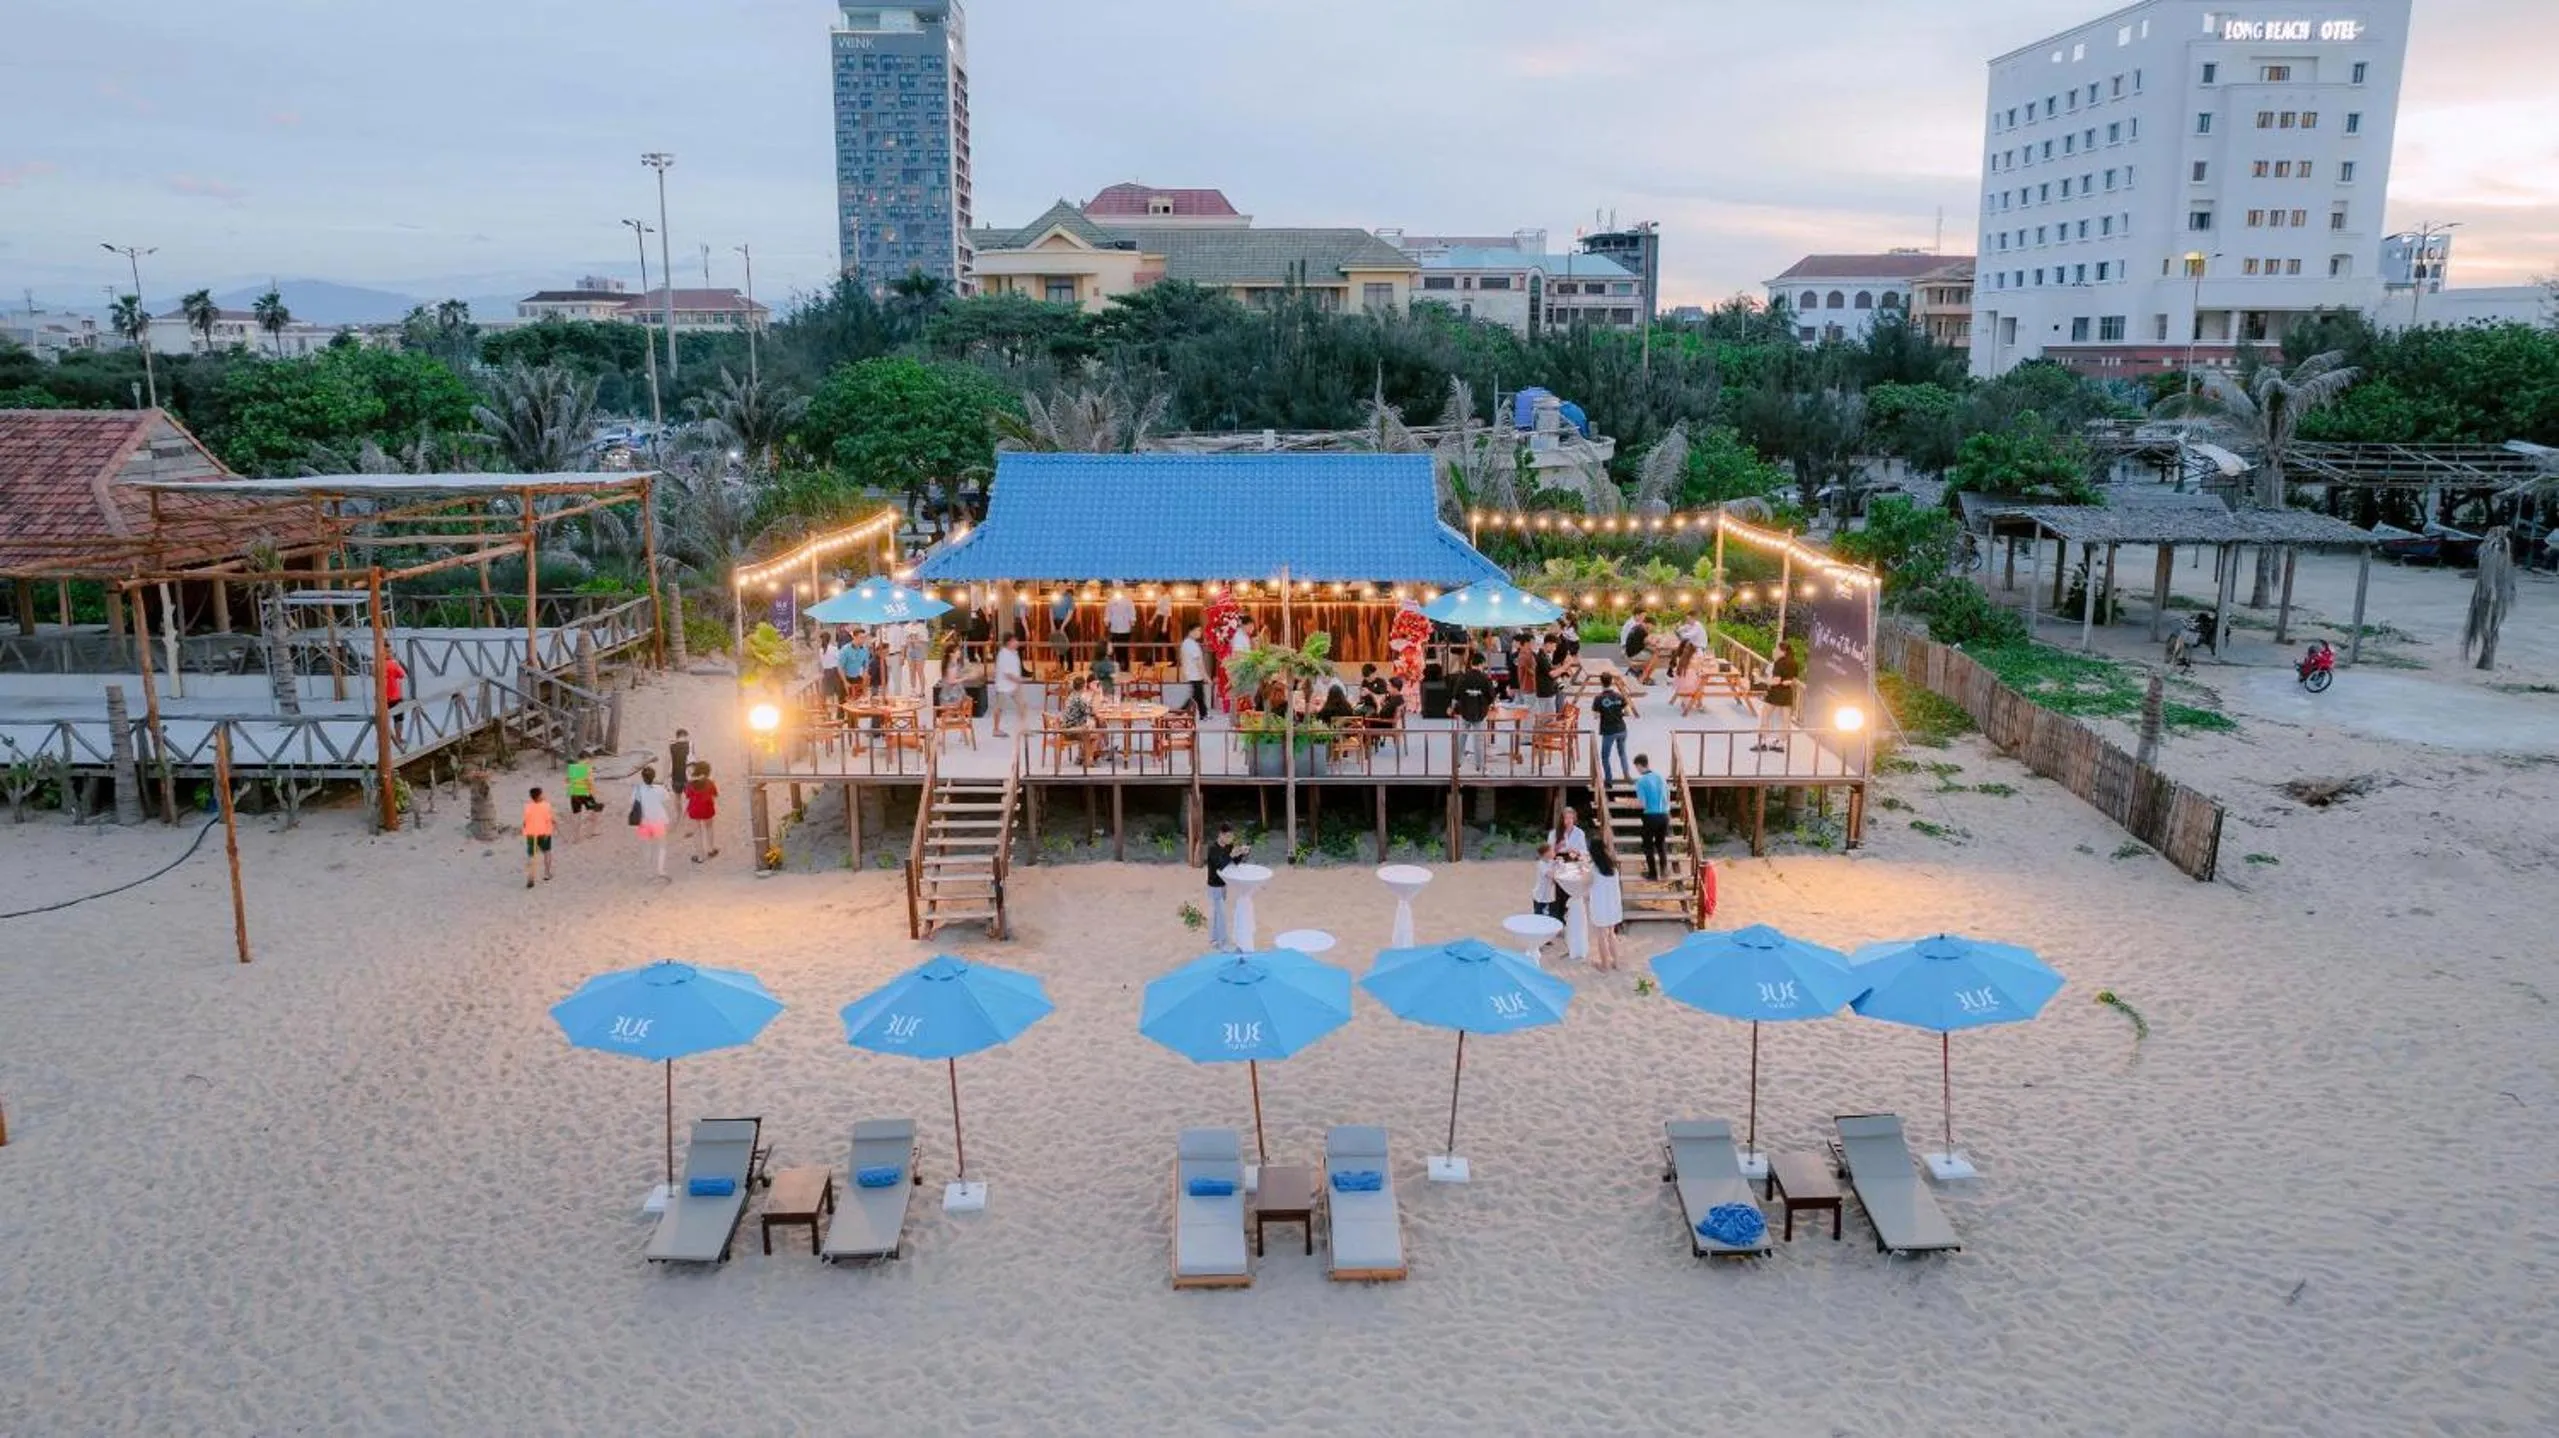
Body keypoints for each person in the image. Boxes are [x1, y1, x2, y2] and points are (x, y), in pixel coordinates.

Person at [1204, 823, 1248, 951]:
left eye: (1231, 836)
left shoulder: (1228, 846)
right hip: (1214, 885)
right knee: (1220, 914)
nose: (1230, 839)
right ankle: (1222, 943)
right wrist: (1231, 855)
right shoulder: (1213, 848)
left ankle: (1214, 939)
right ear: (1221, 835)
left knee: (1218, 913)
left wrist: (1242, 853)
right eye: (1228, 836)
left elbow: (1234, 862)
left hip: (1223, 885)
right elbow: (1220, 865)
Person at [1449, 654, 1496, 771]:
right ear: (1482, 664)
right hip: (1480, 713)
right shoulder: (1485, 678)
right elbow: (1491, 697)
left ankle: (1457, 763)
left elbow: (1455, 695)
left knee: (1461, 738)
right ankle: (1480, 766)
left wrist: (1452, 707)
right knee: (1479, 740)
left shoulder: (1463, 677)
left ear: (1471, 664)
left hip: (1464, 712)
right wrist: (1488, 704)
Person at [1756, 639, 1802, 752]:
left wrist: (1762, 680)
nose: (1775, 650)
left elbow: (1776, 680)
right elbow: (1794, 680)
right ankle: (1781, 744)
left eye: (1777, 649)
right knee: (1786, 720)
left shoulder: (1779, 663)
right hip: (1787, 693)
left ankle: (1763, 742)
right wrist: (1788, 682)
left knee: (1765, 715)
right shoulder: (1794, 663)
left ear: (1783, 651)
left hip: (1775, 693)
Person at [630, 764, 674, 881]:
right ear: (654, 777)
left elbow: (633, 802)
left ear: (642, 777)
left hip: (644, 822)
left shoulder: (637, 789)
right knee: (662, 846)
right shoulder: (659, 789)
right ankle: (660, 869)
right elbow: (667, 798)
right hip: (658, 820)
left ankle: (648, 871)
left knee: (647, 847)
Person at [1633, 753, 1672, 882]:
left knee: (1648, 845)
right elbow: (1667, 796)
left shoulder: (1641, 781)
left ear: (1639, 765)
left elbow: (1642, 804)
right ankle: (1664, 870)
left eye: (1636, 767)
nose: (1637, 770)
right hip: (1664, 815)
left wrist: (1631, 803)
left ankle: (1653, 874)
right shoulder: (1661, 777)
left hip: (1650, 816)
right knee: (1661, 844)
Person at [1587, 841, 1624, 970]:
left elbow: (1584, 883)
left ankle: (1605, 965)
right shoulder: (1613, 867)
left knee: (1601, 935)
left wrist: (1583, 870)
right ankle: (1617, 963)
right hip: (1613, 905)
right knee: (1611, 934)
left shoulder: (1593, 869)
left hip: (1601, 905)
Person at [1592, 672, 1633, 784]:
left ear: (1601, 682)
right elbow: (1628, 713)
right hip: (1621, 729)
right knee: (1622, 753)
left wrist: (1604, 712)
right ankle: (1627, 775)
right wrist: (1619, 714)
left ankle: (1609, 780)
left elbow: (1595, 716)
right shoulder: (1619, 696)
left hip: (1608, 730)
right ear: (1611, 682)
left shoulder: (1598, 698)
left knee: (1605, 756)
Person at [1059, 673, 1101, 764]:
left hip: (1065, 727)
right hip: (1070, 731)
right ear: (1083, 686)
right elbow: (1089, 711)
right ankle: (1089, 760)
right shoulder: (1078, 699)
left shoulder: (1071, 695)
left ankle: (1082, 757)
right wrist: (1095, 694)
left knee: (1090, 728)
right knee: (1096, 735)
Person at [991, 635, 1027, 738]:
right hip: (1003, 685)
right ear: (1008, 642)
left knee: (1022, 705)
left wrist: (1018, 681)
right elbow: (1006, 673)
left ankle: (1023, 728)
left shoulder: (1014, 653)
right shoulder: (1003, 655)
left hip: (1014, 686)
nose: (1017, 642)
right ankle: (996, 729)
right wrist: (1018, 680)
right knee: (999, 708)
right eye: (1014, 641)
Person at [685, 760, 719, 863]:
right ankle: (711, 849)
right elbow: (715, 795)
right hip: (707, 809)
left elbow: (687, 796)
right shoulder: (710, 783)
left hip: (694, 810)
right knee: (709, 828)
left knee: (697, 832)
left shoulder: (690, 784)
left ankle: (700, 856)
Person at [522, 785, 556, 889]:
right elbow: (549, 819)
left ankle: (530, 877)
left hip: (531, 833)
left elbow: (525, 822)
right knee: (547, 852)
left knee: (532, 855)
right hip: (543, 832)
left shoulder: (528, 806)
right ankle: (547, 873)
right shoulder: (546, 805)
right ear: (540, 795)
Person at [563, 755, 601, 841]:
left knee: (577, 815)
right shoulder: (587, 768)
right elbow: (590, 782)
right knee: (595, 811)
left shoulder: (572, 768)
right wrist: (593, 794)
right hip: (585, 795)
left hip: (574, 795)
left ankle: (576, 837)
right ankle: (592, 832)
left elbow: (567, 781)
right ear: (587, 759)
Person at [1177, 625, 1209, 718]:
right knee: (1196, 696)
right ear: (1191, 631)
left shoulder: (1188, 643)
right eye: (1198, 630)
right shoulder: (1190, 644)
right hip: (1194, 674)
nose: (1200, 632)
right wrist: (1205, 676)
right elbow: (1198, 662)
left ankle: (1203, 714)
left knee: (1199, 696)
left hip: (1193, 673)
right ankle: (1180, 712)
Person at [1104, 587, 1137, 665]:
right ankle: (1117, 664)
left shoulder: (1128, 600)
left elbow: (1132, 612)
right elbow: (1108, 612)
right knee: (1115, 649)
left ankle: (1125, 666)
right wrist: (1107, 621)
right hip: (1114, 629)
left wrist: (1132, 621)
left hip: (1125, 629)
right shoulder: (1111, 601)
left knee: (1124, 648)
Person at [1049, 587, 1077, 668]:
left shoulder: (1069, 597)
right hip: (1056, 621)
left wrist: (1063, 626)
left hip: (1067, 622)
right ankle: (1060, 666)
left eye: (1062, 585)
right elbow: (1050, 611)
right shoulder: (1054, 596)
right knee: (1059, 645)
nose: (1060, 587)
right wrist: (1052, 625)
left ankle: (1070, 667)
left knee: (1067, 645)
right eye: (1059, 585)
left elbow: (1070, 613)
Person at [667, 728, 692, 807]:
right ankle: (686, 814)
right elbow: (692, 761)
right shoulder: (690, 745)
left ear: (677, 736)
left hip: (676, 777)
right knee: (690, 798)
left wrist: (668, 776)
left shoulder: (671, 746)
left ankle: (678, 815)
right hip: (687, 777)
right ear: (685, 735)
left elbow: (669, 762)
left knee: (677, 797)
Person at [819, 629, 845, 704]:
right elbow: (840, 659)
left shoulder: (821, 650)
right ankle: (836, 712)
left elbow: (822, 662)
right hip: (834, 672)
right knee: (837, 694)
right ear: (829, 639)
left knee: (828, 695)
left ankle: (829, 714)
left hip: (826, 673)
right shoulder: (834, 649)